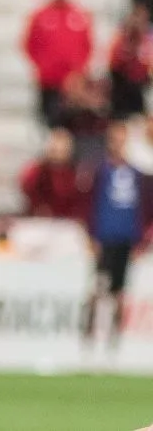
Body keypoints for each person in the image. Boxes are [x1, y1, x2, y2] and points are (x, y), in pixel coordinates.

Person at [85, 121, 150, 350]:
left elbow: (143, 209)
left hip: (126, 238)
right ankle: (88, 337)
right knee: (98, 288)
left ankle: (115, 342)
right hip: (105, 238)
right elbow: (91, 205)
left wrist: (141, 240)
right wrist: (91, 235)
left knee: (120, 291)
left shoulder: (138, 174)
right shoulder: (100, 171)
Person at [23, 0, 93, 126]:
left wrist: (78, 73)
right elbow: (29, 45)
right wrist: (43, 67)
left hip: (73, 86)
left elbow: (87, 47)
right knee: (48, 123)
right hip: (49, 82)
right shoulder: (41, 16)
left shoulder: (80, 16)